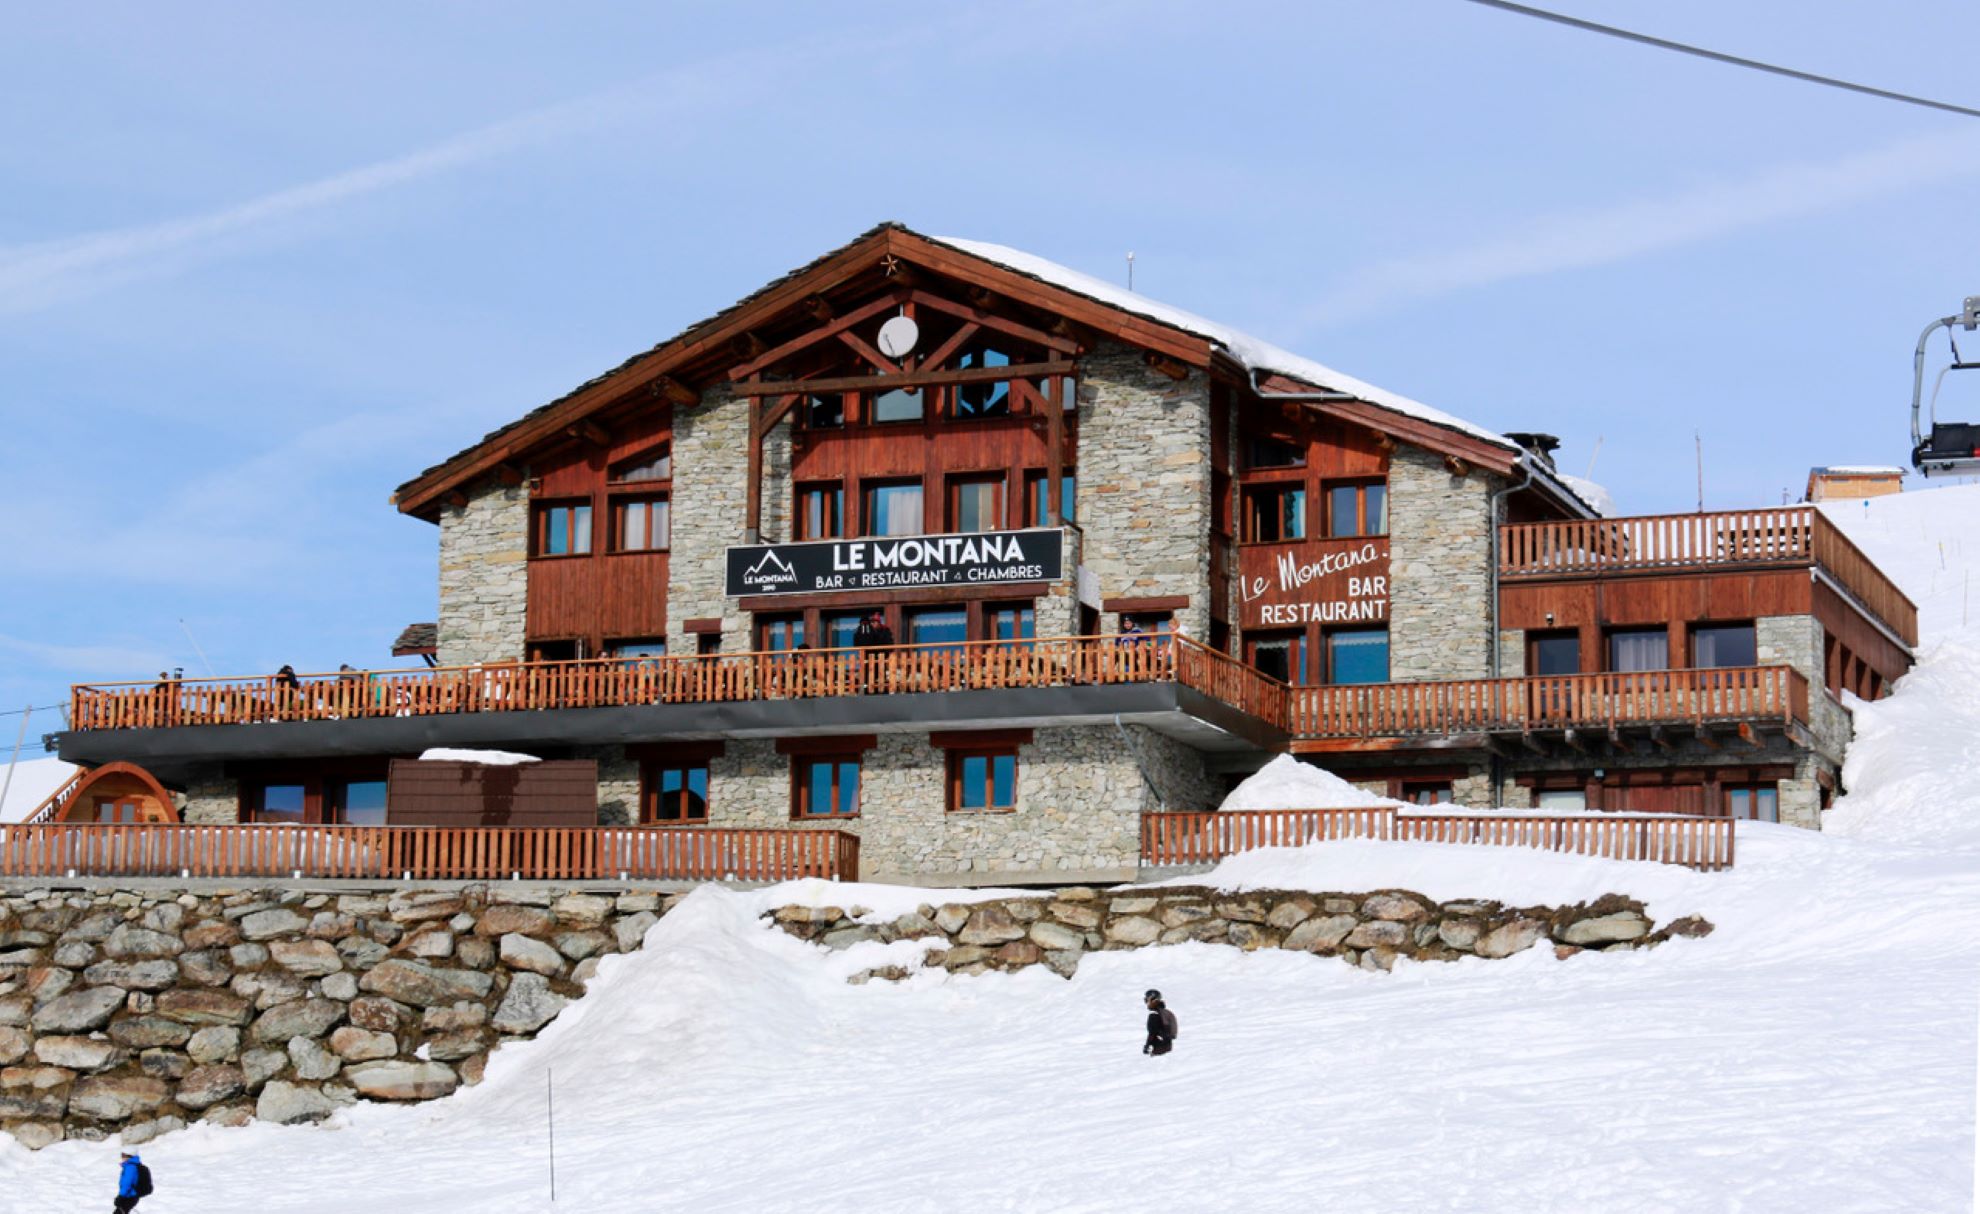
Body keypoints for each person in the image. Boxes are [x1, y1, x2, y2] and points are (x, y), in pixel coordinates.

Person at [1143, 989, 1177, 1056]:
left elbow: (1153, 1033)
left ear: (1153, 1000)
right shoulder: (1165, 1013)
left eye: (1146, 1000)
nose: (1146, 1003)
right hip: (1167, 1047)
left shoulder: (1154, 1014)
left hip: (1158, 1049)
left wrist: (1147, 1046)